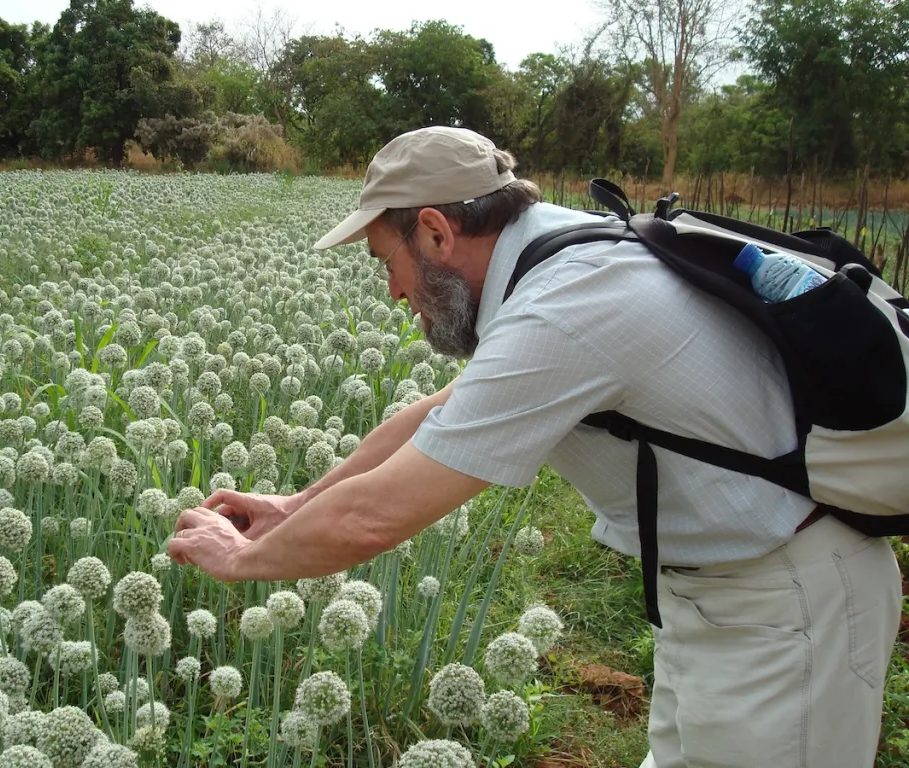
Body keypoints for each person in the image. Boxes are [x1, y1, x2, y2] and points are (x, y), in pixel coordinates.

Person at [168, 126, 902, 767]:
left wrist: (244, 560)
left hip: (787, 606)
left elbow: (376, 520)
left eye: (383, 260)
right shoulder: (559, 255)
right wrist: (294, 506)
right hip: (725, 594)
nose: (394, 291)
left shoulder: (567, 305)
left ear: (434, 231)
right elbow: (441, 413)